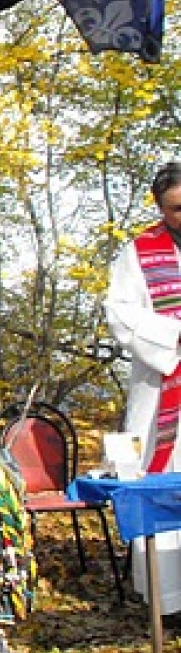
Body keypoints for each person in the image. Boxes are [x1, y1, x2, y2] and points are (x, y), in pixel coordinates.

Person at [104, 161, 181, 614]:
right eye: (176, 208)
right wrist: (173, 336)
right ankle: (167, 602)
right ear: (159, 207)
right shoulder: (139, 253)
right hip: (161, 389)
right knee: (163, 487)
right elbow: (120, 312)